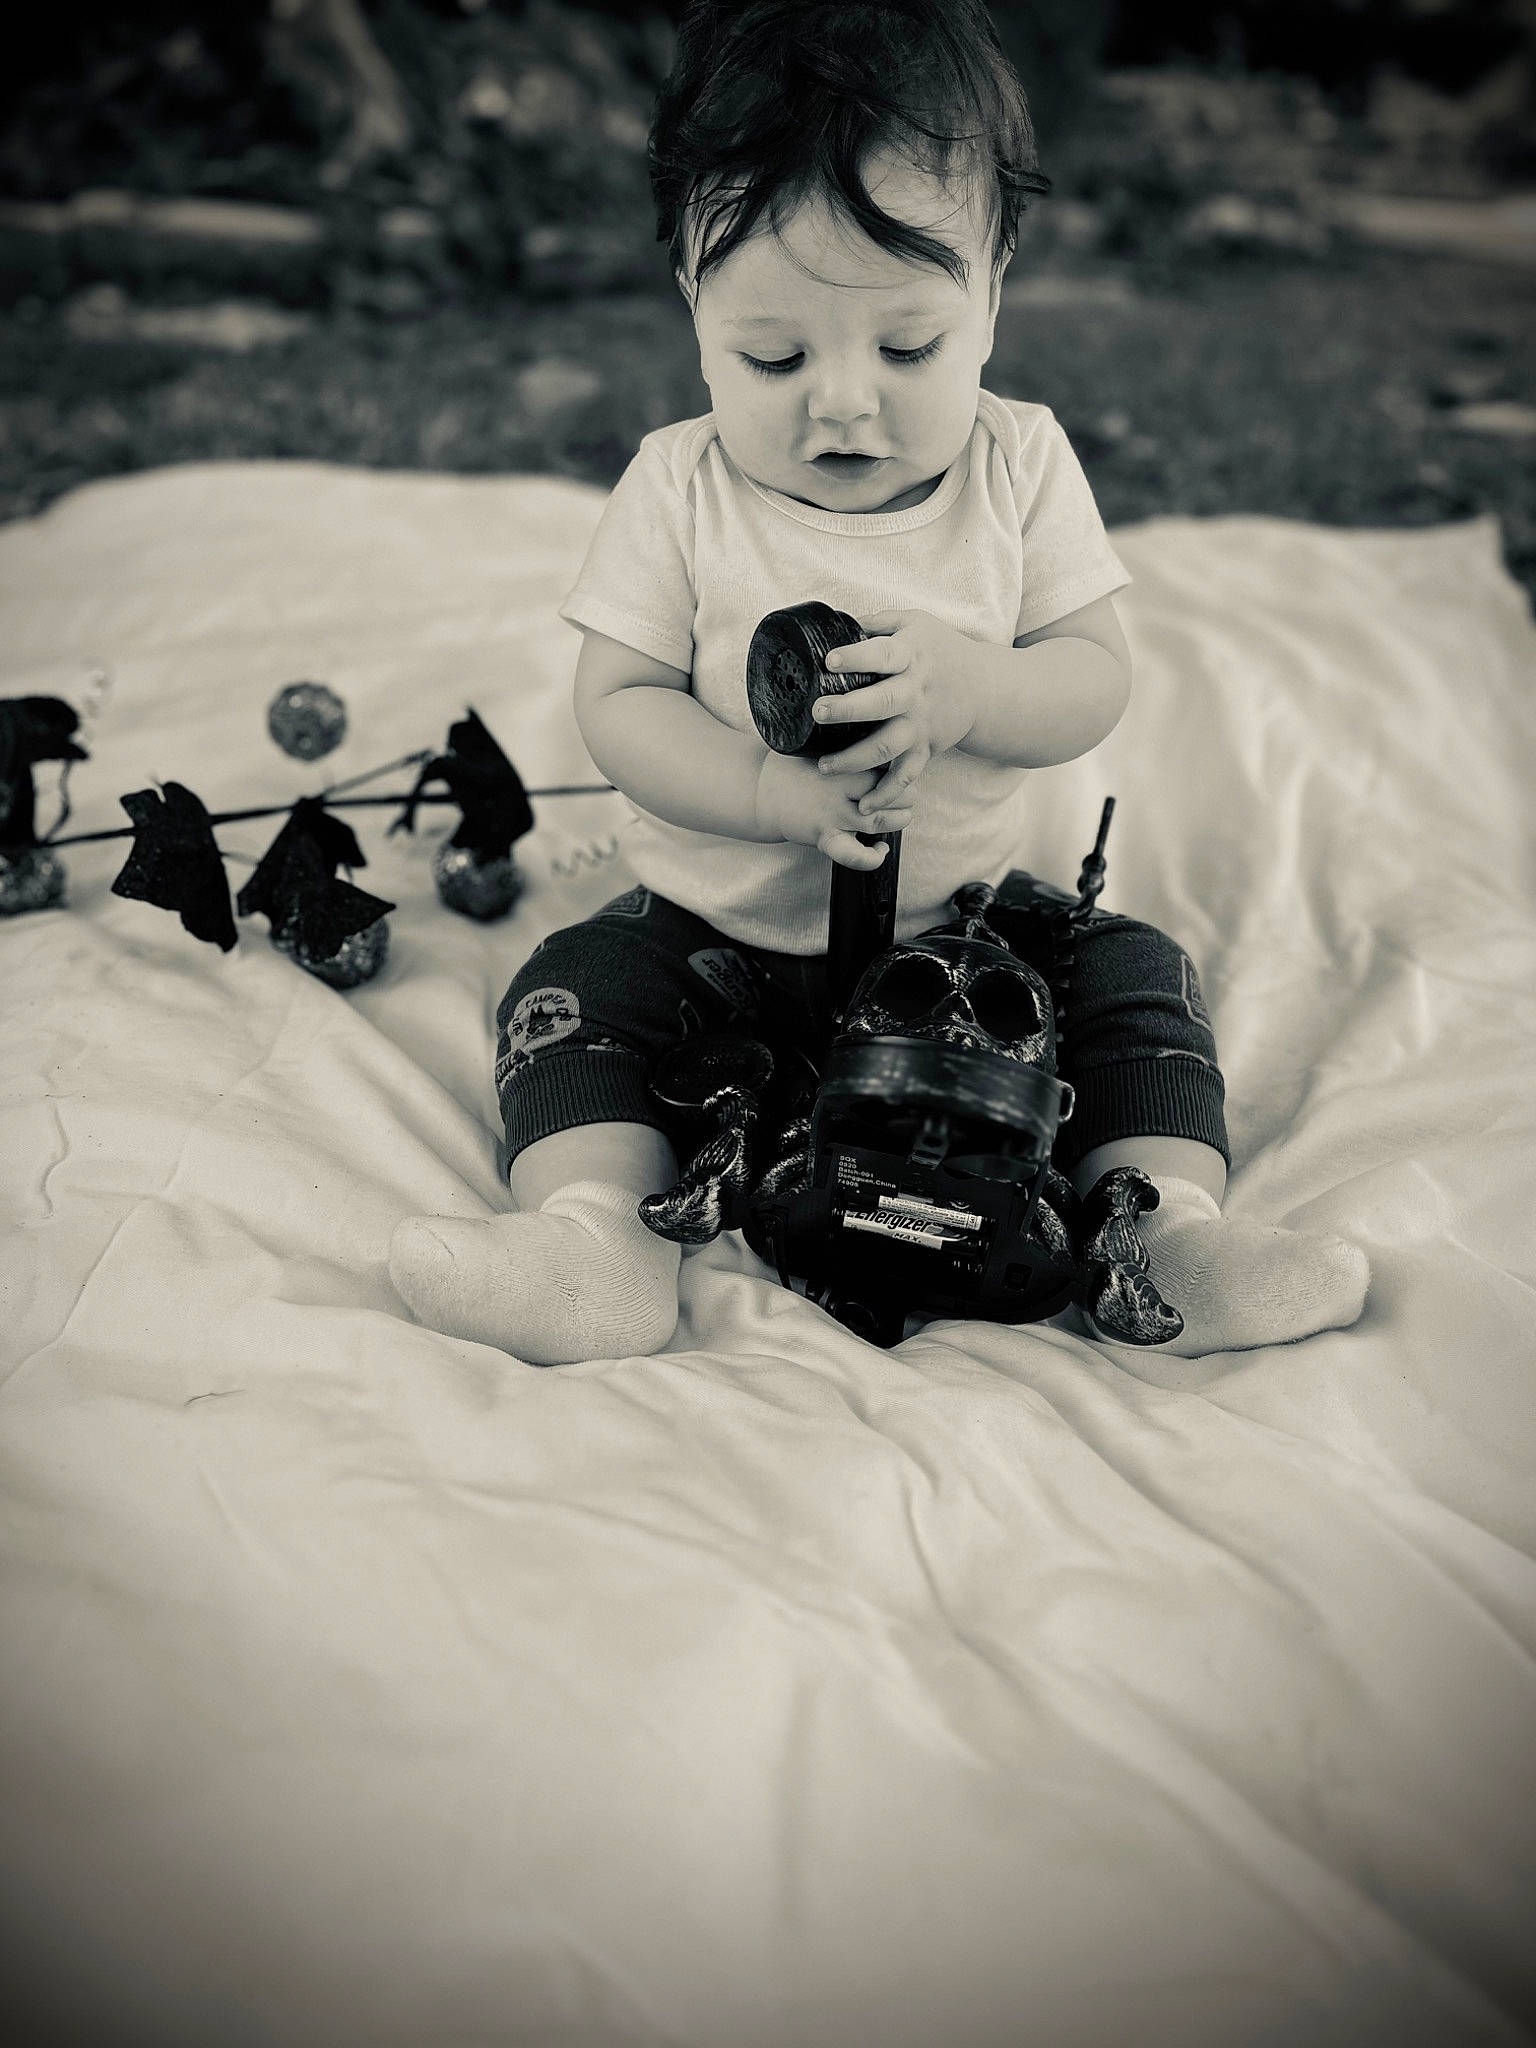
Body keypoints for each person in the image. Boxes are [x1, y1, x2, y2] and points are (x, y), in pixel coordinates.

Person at [390, 0, 1368, 1364]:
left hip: (966, 952)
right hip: (723, 934)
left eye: (905, 348)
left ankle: (1162, 1229)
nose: (840, 404)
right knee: (575, 990)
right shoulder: (680, 489)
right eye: (771, 356)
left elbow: (1093, 678)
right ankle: (595, 1238)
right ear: (690, 290)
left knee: (1136, 977)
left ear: (996, 283)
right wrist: (759, 791)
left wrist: (975, 690)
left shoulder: (1020, 467)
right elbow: (616, 704)